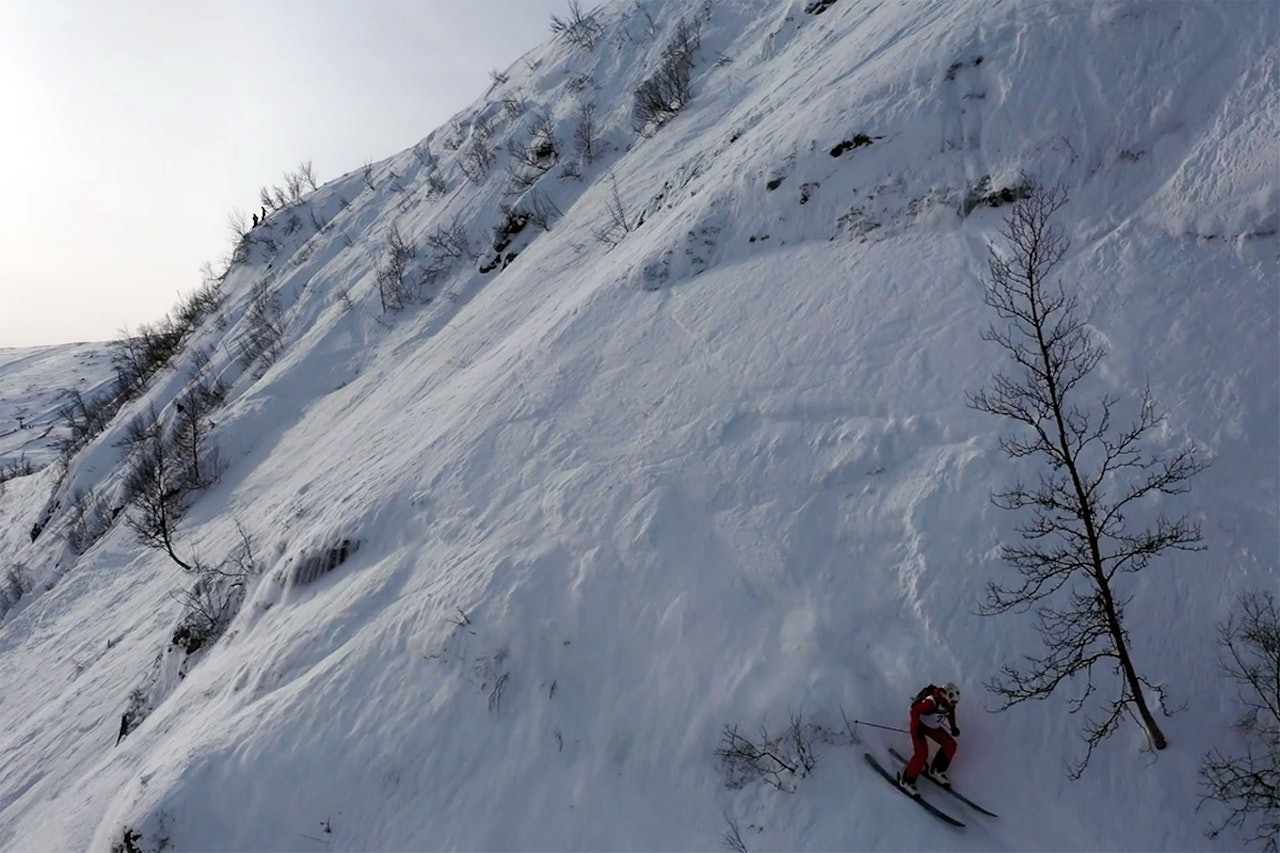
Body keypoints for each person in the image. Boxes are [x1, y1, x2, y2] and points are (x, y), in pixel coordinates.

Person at [896, 682, 960, 796]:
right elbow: (914, 711)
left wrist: (953, 727)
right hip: (919, 726)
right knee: (922, 754)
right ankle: (906, 780)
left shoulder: (949, 704)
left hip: (933, 728)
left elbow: (950, 713)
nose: (953, 704)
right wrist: (916, 728)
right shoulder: (931, 702)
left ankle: (937, 770)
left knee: (951, 745)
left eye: (955, 702)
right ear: (946, 695)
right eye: (953, 702)